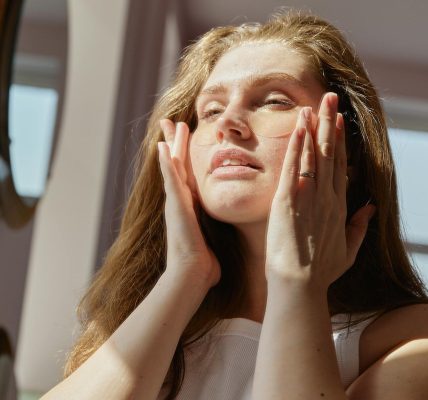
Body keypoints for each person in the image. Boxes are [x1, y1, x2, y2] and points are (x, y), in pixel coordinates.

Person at [41, 8, 428, 400]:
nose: (228, 122)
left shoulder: (410, 341)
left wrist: (297, 284)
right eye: (209, 111)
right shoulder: (153, 331)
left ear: (349, 153)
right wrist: (185, 275)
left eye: (274, 100)